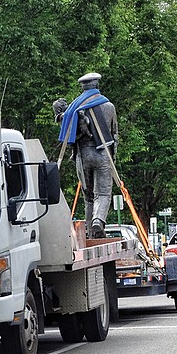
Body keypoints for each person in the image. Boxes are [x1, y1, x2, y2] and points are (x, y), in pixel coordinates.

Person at [54, 72, 118, 238]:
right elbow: (114, 135)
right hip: (102, 154)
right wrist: (113, 160)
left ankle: (90, 232)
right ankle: (98, 221)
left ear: (82, 87)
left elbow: (66, 129)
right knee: (103, 193)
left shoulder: (74, 109)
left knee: (88, 196)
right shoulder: (108, 107)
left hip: (82, 155)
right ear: (97, 85)